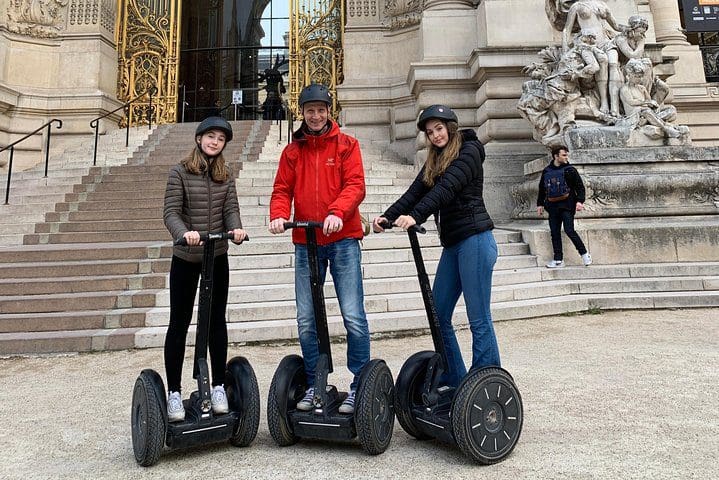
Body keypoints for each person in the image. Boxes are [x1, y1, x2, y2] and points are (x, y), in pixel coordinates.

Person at [372, 105, 500, 388]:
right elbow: (415, 192)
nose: (435, 136)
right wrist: (388, 216)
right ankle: (455, 379)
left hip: (476, 241)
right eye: (430, 132)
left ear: (450, 128)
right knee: (439, 314)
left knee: (478, 318)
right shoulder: (435, 160)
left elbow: (446, 190)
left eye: (439, 129)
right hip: (453, 244)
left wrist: (416, 216)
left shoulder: (469, 151)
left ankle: (486, 385)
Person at [268, 83, 369, 414]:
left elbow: (355, 185)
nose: (315, 115)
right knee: (307, 318)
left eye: (321, 110)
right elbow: (282, 188)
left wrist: (337, 213)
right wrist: (279, 216)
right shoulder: (292, 152)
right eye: (309, 110)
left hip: (342, 240)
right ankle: (316, 382)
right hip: (305, 242)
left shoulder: (346, 145)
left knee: (352, 315)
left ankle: (359, 385)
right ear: (303, 113)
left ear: (329, 112)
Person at [162, 116, 248, 422]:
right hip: (186, 257)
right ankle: (173, 392)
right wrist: (183, 232)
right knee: (180, 322)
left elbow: (231, 210)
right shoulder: (180, 173)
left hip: (216, 256)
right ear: (199, 139)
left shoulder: (226, 176)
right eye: (210, 136)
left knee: (215, 323)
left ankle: (219, 385)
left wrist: (236, 230)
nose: (214, 142)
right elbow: (171, 212)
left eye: (220, 139)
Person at [536, 145, 592, 268]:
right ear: (556, 156)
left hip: (567, 205)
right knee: (554, 232)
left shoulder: (570, 170)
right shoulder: (546, 171)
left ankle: (584, 254)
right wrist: (540, 204)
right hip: (552, 206)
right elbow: (542, 189)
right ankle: (558, 260)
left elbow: (579, 187)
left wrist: (579, 201)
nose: (566, 157)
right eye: (564, 155)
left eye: (566, 155)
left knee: (569, 230)